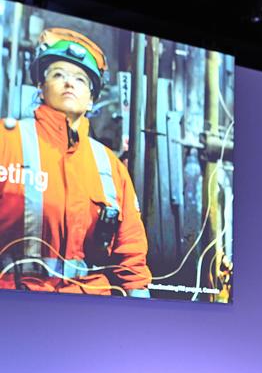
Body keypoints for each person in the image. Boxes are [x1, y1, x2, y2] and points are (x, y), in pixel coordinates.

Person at [0, 27, 151, 297]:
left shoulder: (110, 167)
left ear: (92, 99)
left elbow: (130, 254)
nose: (70, 83)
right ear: (40, 87)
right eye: (58, 74)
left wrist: (141, 304)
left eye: (81, 79)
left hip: (88, 309)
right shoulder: (5, 141)